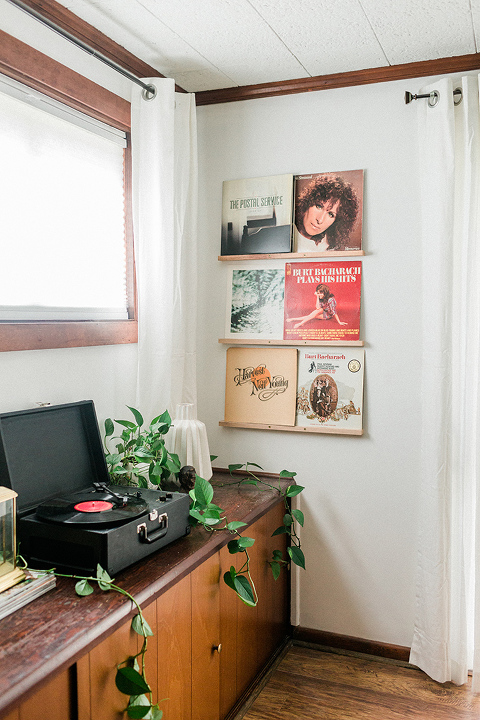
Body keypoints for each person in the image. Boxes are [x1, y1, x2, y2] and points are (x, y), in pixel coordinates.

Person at [295, 175, 359, 252]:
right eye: (319, 206)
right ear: (308, 202)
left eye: (331, 214)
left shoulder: (326, 249)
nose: (320, 220)